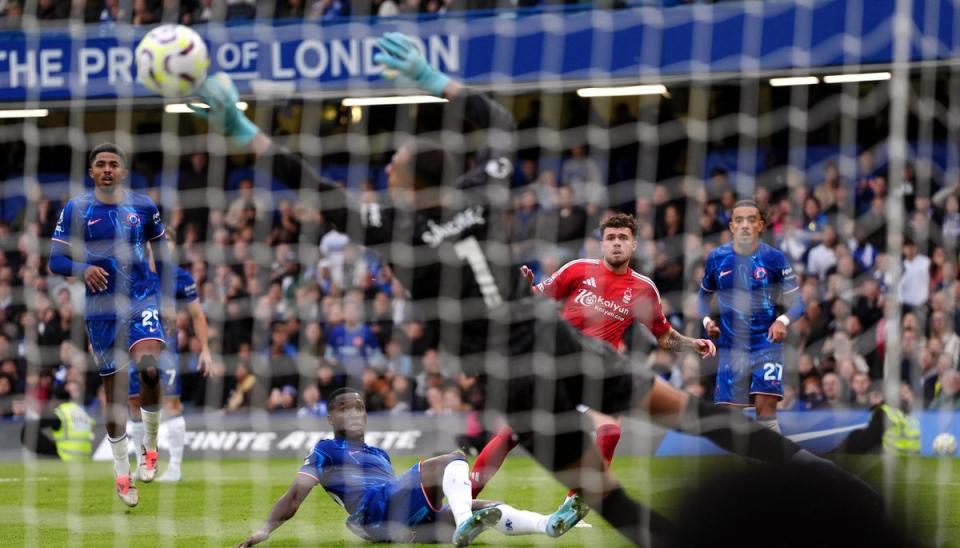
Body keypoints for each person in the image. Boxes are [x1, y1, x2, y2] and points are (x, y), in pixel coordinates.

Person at [193, 34, 865, 544]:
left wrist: (247, 132)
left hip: (513, 381)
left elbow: (315, 188)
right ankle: (829, 479)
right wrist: (435, 80)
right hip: (559, 346)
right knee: (697, 417)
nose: (389, 164)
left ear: (405, 184)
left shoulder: (393, 232)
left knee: (605, 498)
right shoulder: (480, 199)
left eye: (394, 162)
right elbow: (504, 125)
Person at [470, 212, 715, 506]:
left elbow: (663, 335)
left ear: (634, 245)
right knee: (511, 434)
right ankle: (463, 500)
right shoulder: (577, 269)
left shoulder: (643, 289)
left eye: (622, 238)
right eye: (610, 238)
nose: (616, 243)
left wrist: (692, 345)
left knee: (610, 431)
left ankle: (573, 507)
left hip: (597, 372)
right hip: (555, 362)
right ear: (601, 244)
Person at [236, 387, 589, 546]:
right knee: (454, 458)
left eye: (359, 407)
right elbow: (295, 494)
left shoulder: (379, 453)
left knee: (488, 509)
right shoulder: (325, 449)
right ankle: (464, 521)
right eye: (346, 408)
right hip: (372, 513)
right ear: (330, 417)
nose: (356, 413)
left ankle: (549, 525)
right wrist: (266, 529)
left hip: (394, 521)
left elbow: (405, 491)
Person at [49, 143, 172, 507]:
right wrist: (81, 269)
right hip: (101, 310)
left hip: (142, 298)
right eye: (100, 164)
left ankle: (150, 447)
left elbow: (162, 256)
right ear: (91, 172)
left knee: (149, 370)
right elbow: (56, 259)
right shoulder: (77, 208)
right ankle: (122, 474)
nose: (106, 169)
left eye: (112, 164)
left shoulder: (144, 206)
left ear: (123, 172)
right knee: (115, 397)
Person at [698, 199, 805, 434]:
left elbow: (799, 303)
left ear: (761, 225)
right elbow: (702, 298)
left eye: (751, 219)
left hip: (766, 345)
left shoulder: (775, 258)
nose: (745, 224)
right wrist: (707, 322)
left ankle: (774, 465)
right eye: (739, 220)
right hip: (730, 346)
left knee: (765, 410)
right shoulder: (717, 258)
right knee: (729, 419)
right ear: (731, 227)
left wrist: (781, 321)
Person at [128, 226, 213, 482]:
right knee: (134, 404)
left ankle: (175, 467)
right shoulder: (135, 274)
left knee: (172, 404)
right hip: (136, 348)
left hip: (168, 350)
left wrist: (205, 349)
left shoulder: (180, 277)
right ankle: (143, 462)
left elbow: (198, 314)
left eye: (170, 243)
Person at [21, 380, 94, 461]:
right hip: (85, 456)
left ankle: (46, 459)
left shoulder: (61, 413)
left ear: (55, 399)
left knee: (27, 431)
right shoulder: (82, 412)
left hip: (67, 456)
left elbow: (30, 426)